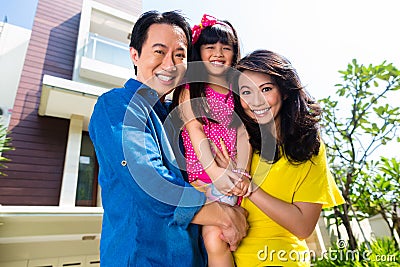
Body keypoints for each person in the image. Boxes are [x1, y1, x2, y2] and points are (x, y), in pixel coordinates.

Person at [88, 10, 249, 266]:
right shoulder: (117, 106)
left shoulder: (177, 116)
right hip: (142, 259)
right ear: (135, 54)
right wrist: (223, 215)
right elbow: (150, 184)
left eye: (180, 55)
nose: (170, 63)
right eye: (159, 52)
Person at [228, 50, 345, 266]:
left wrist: (250, 188)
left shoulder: (309, 147)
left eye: (266, 89)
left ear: (284, 91)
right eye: (246, 92)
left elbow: (303, 227)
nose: (256, 101)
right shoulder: (236, 140)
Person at [171, 14, 252, 267]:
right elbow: (195, 131)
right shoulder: (190, 90)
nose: (218, 53)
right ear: (199, 52)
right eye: (210, 47)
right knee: (208, 239)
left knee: (221, 236)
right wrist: (215, 171)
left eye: (225, 48)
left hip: (230, 180)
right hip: (202, 180)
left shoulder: (236, 92)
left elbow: (243, 134)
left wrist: (241, 173)